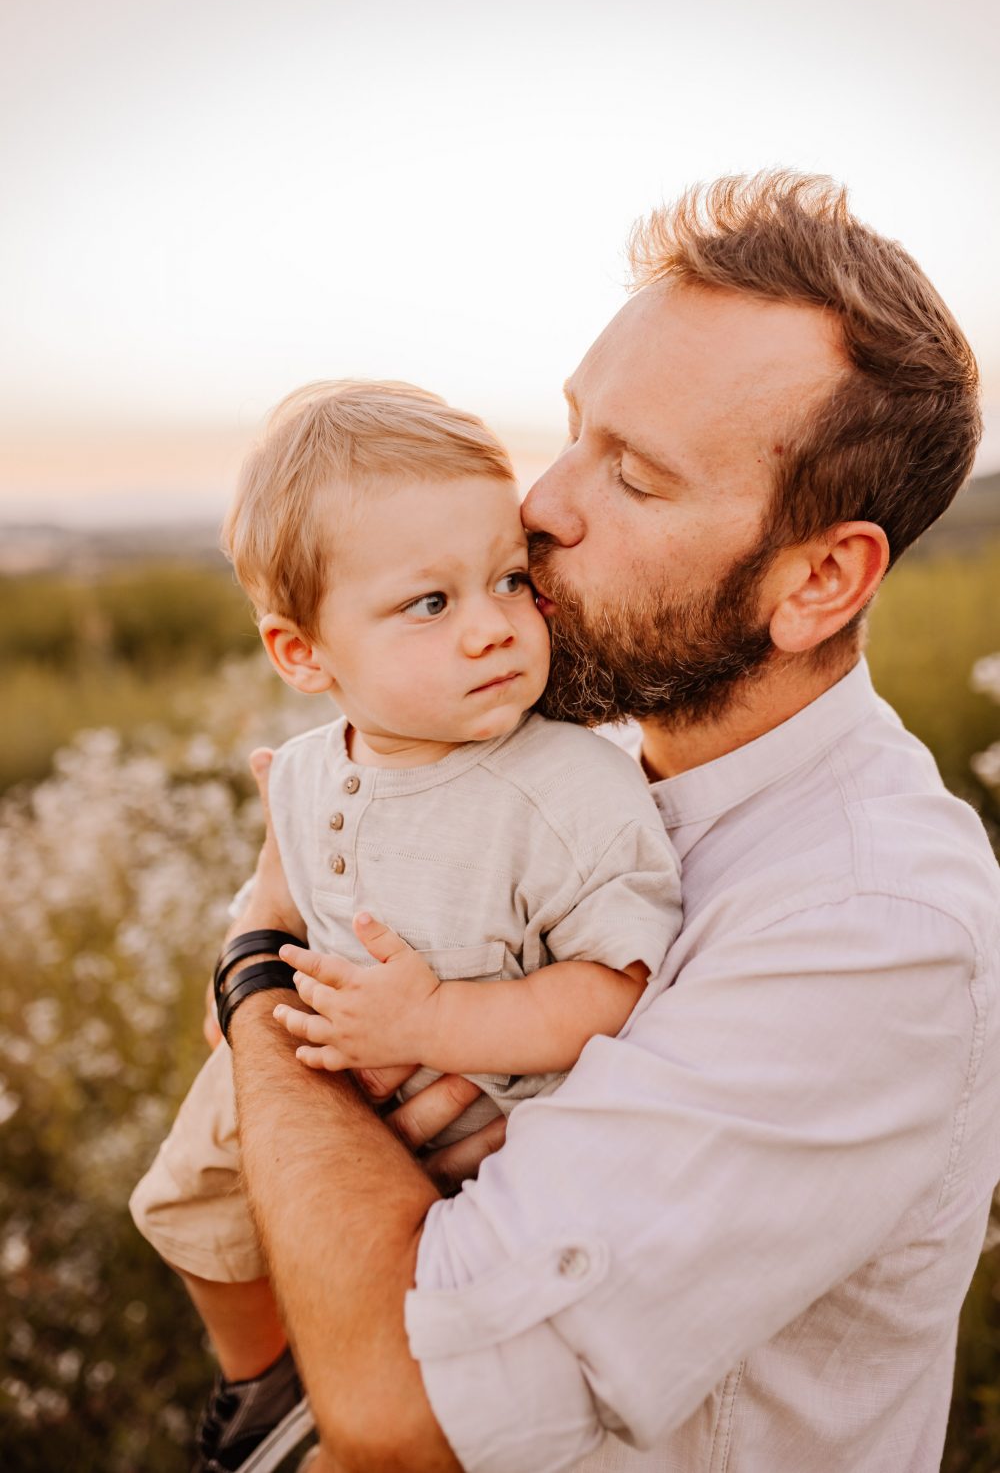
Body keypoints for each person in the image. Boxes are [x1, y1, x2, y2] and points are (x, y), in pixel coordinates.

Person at [218, 171, 1000, 1473]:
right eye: (575, 429)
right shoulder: (577, 760)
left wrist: (257, 969)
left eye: (631, 476)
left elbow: (405, 1410)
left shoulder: (874, 929)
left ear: (819, 579)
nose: (541, 505)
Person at [129, 380, 681, 1471]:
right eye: (430, 603)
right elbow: (274, 909)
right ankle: (259, 1382)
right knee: (179, 1200)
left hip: (479, 1139)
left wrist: (435, 1022)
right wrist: (238, 991)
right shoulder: (302, 772)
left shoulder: (568, 787)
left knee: (404, 1360)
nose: (491, 628)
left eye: (509, 580)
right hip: (321, 1082)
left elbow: (615, 983)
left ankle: (330, 1385)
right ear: (303, 654)